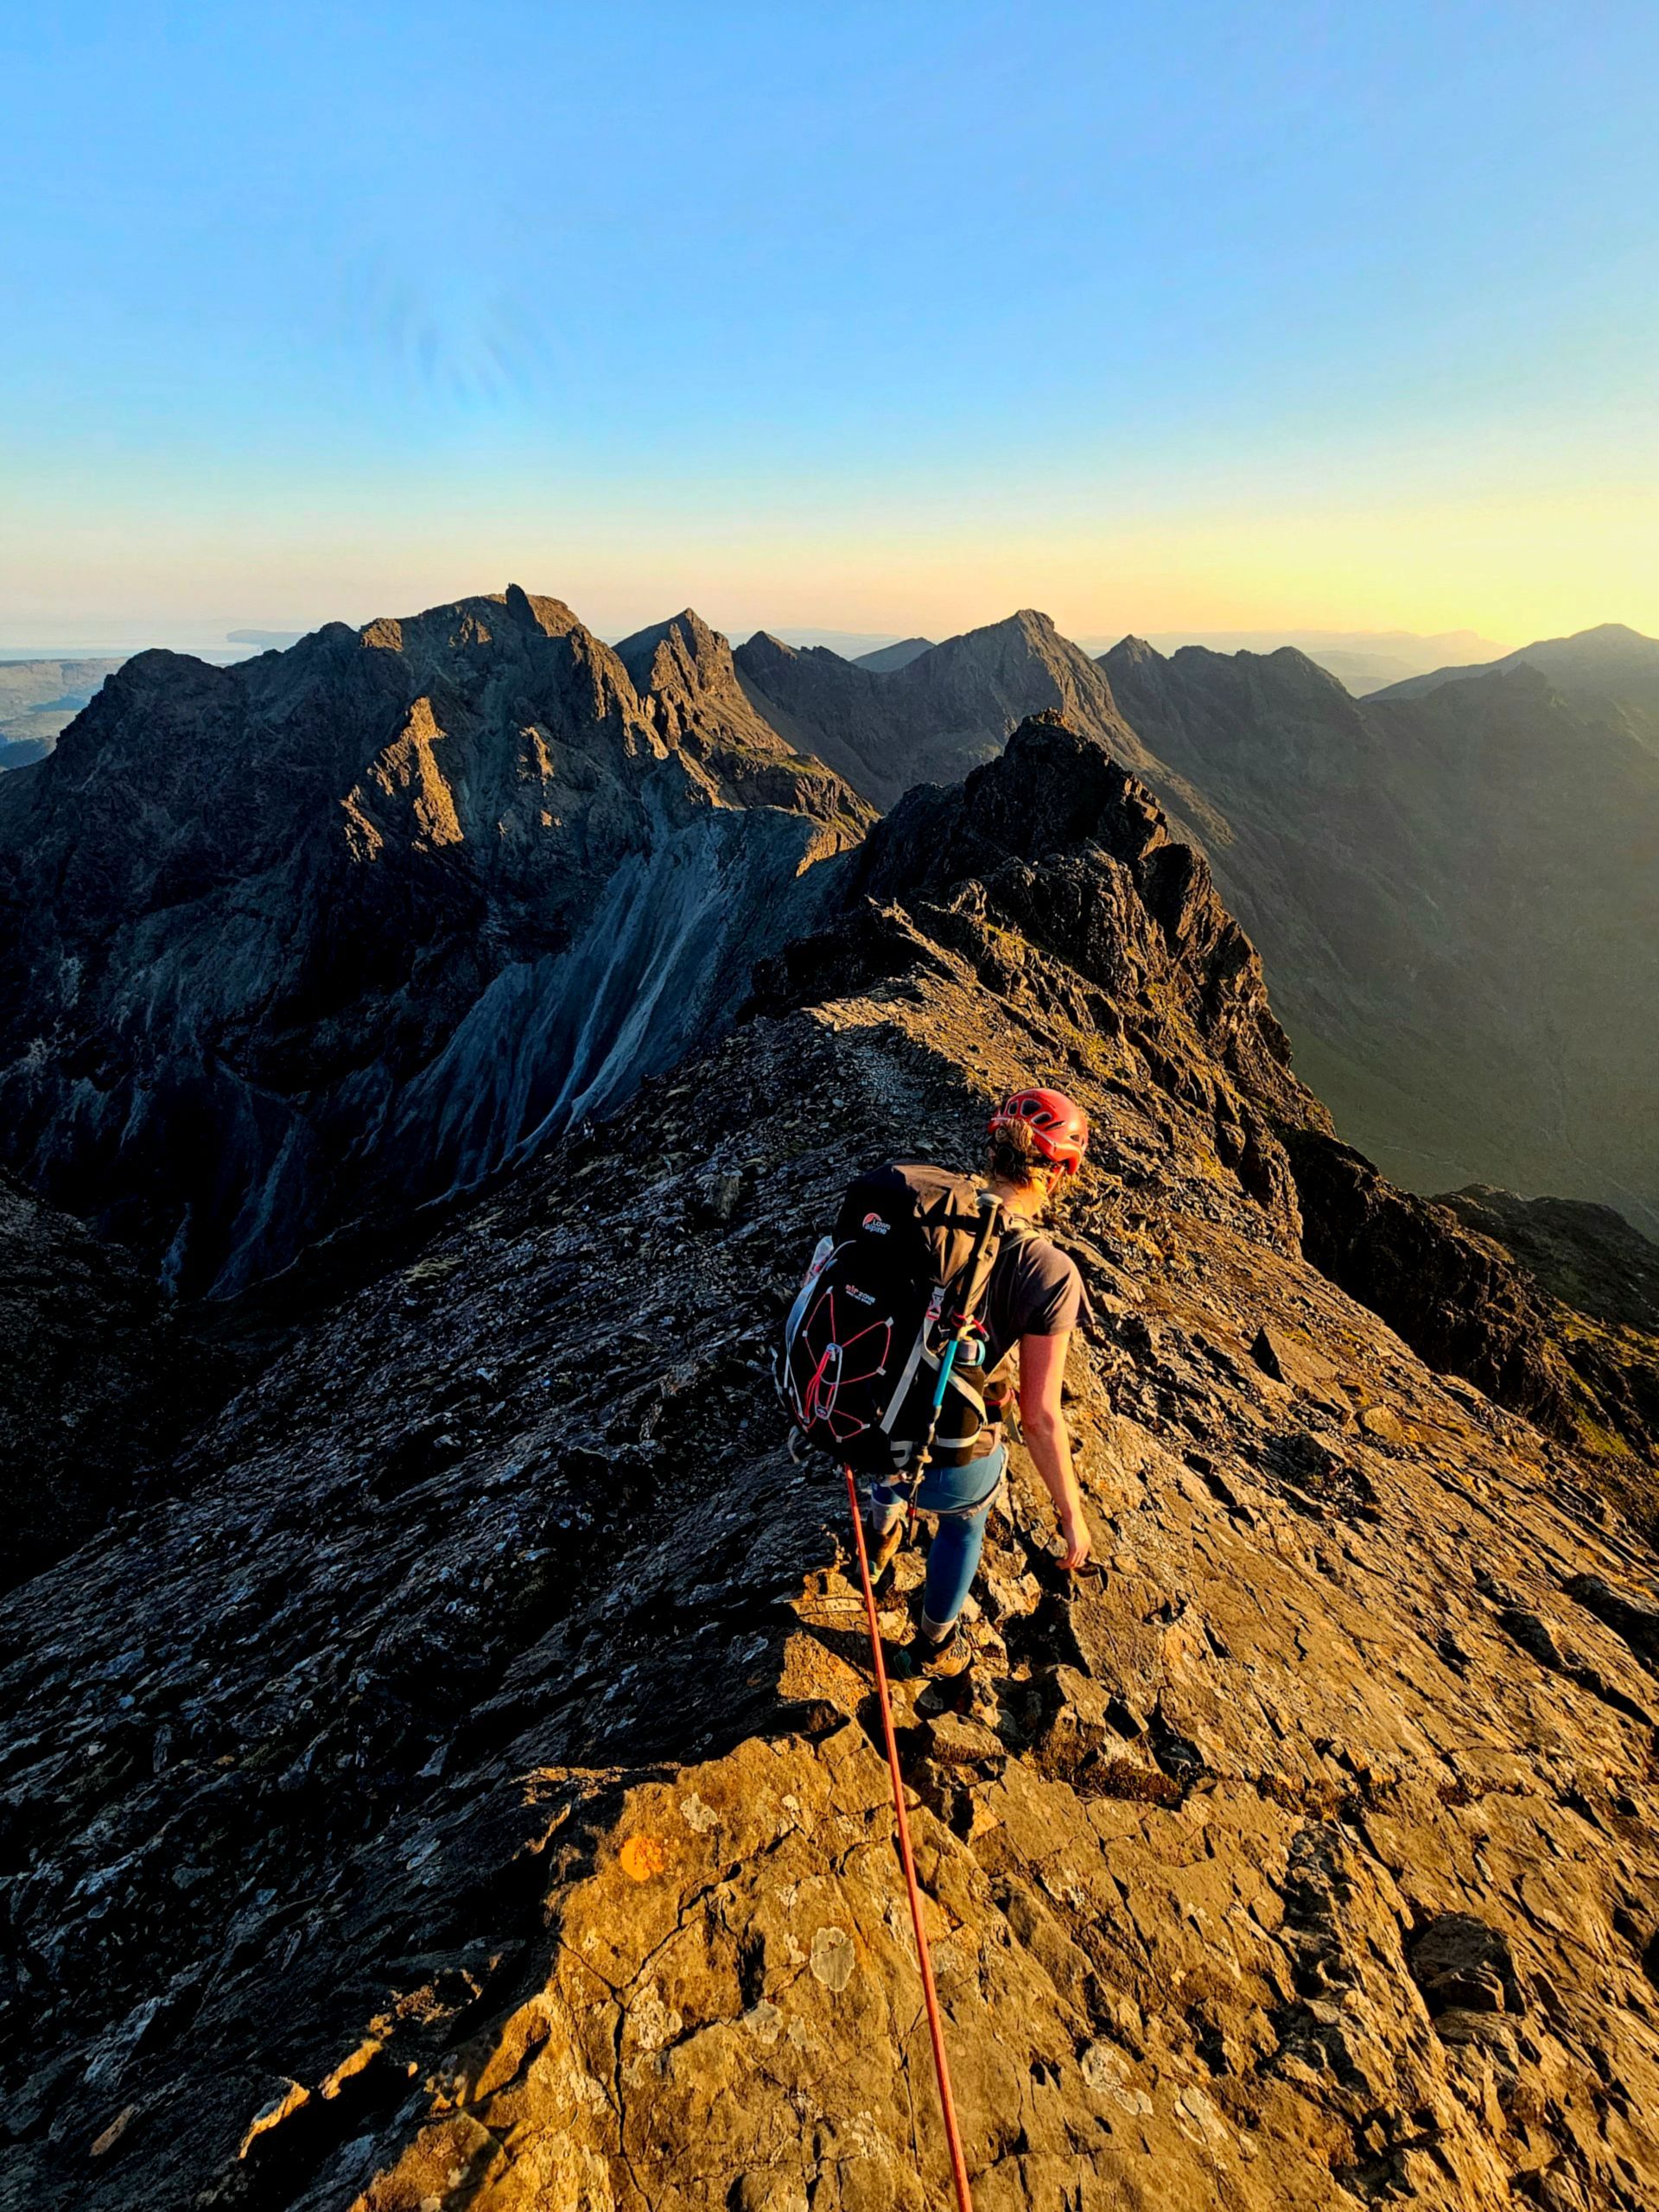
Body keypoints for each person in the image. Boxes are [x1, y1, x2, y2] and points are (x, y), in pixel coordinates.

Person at [868, 1087, 1095, 1677]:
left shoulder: (924, 1204)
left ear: (995, 1148)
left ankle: (881, 1530)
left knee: (901, 1421)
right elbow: (1040, 1416)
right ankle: (934, 1645)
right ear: (1060, 1171)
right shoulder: (1050, 1271)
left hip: (866, 1427)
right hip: (948, 1465)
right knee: (968, 1516)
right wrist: (1071, 1514)